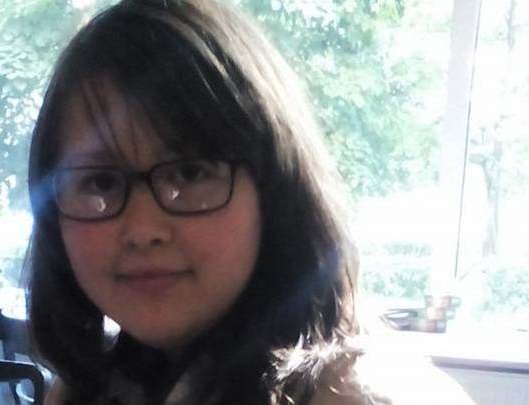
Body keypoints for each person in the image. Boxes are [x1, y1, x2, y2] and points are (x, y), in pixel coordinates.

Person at [26, 1, 475, 404]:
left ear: (275, 186)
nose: (143, 229)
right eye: (101, 182)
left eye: (190, 173)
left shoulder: (363, 396)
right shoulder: (84, 389)